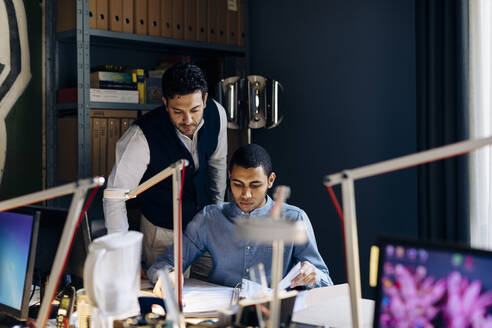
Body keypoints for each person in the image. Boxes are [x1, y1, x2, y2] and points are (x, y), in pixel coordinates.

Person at [148, 144, 333, 295]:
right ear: (229, 177)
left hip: (271, 314)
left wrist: (313, 275)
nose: (246, 194)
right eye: (237, 184)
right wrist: (169, 275)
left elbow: (326, 282)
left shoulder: (294, 219)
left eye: (255, 185)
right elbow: (163, 264)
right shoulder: (209, 218)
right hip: (219, 313)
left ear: (270, 180)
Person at [103, 63, 227, 275]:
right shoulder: (141, 136)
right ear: (165, 103)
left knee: (211, 289)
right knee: (167, 298)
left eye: (195, 110)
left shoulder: (218, 114)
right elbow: (114, 197)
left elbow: (218, 166)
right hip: (162, 231)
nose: (188, 120)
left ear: (205, 100)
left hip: (204, 227)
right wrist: (124, 259)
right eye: (178, 111)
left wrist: (215, 214)